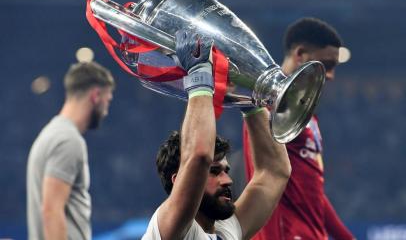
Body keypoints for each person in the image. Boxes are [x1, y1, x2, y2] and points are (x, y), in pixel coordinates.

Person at [142, 27, 291, 240]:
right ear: (178, 180)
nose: (228, 180)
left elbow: (274, 172)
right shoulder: (168, 229)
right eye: (214, 171)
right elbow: (199, 156)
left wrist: (251, 103)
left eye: (225, 170)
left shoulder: (227, 231)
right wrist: (199, 75)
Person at [243, 17, 355, 240]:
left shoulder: (307, 116)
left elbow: (314, 193)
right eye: (328, 65)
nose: (331, 76)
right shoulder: (269, 107)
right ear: (301, 54)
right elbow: (262, 178)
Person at [27, 61, 115, 240]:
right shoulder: (68, 140)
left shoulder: (51, 134)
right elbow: (51, 211)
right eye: (108, 100)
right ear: (96, 95)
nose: (106, 111)